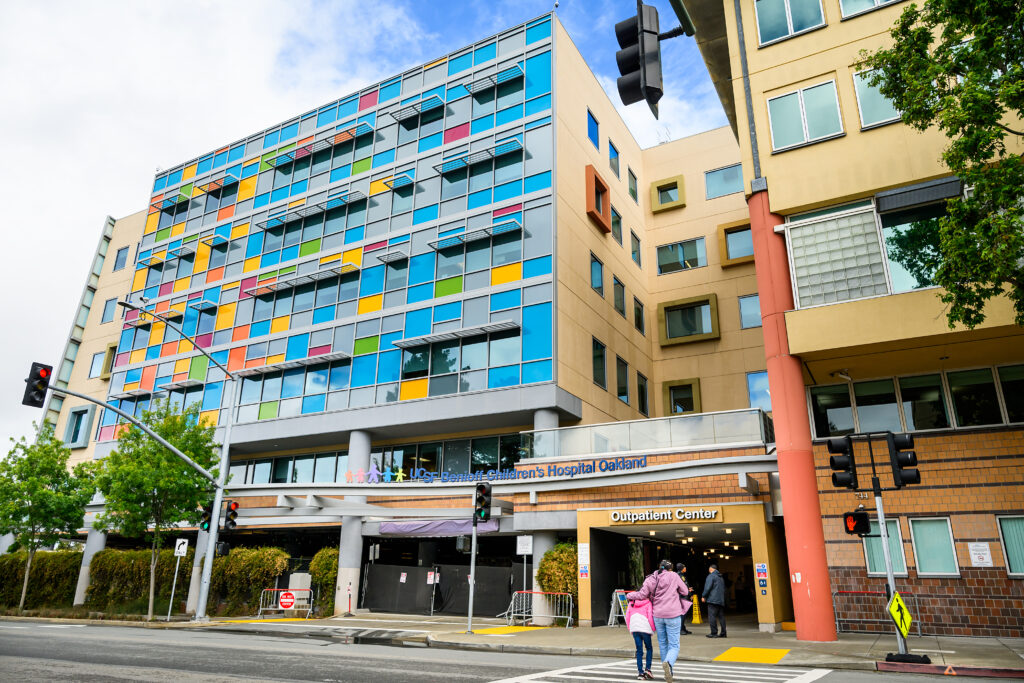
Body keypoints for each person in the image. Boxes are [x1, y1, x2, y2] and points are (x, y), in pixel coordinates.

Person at [627, 559, 688, 683]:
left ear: (660, 567)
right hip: (673, 614)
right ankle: (669, 664)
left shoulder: (651, 578)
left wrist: (629, 596)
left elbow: (642, 594)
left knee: (663, 643)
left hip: (658, 615)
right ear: (670, 568)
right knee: (674, 644)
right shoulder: (674, 576)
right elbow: (685, 591)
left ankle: (668, 670)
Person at [625, 596, 655, 680]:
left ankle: (640, 673)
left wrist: (630, 628)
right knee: (649, 648)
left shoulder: (631, 603)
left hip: (635, 628)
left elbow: (627, 617)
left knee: (639, 650)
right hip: (645, 629)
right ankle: (648, 669)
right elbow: (650, 617)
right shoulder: (648, 603)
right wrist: (653, 629)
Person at [702, 563, 727, 638]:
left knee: (712, 616)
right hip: (720, 600)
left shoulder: (711, 576)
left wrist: (704, 596)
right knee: (721, 617)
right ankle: (723, 633)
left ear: (711, 569)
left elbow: (707, 588)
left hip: (713, 600)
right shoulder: (721, 577)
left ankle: (714, 633)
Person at [674, 563, 693, 635]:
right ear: (682, 568)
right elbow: (683, 587)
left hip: (682, 595)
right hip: (682, 596)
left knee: (683, 613)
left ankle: (683, 628)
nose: (685, 568)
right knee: (682, 613)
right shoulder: (680, 576)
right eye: (684, 567)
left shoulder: (679, 575)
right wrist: (689, 592)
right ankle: (681, 629)